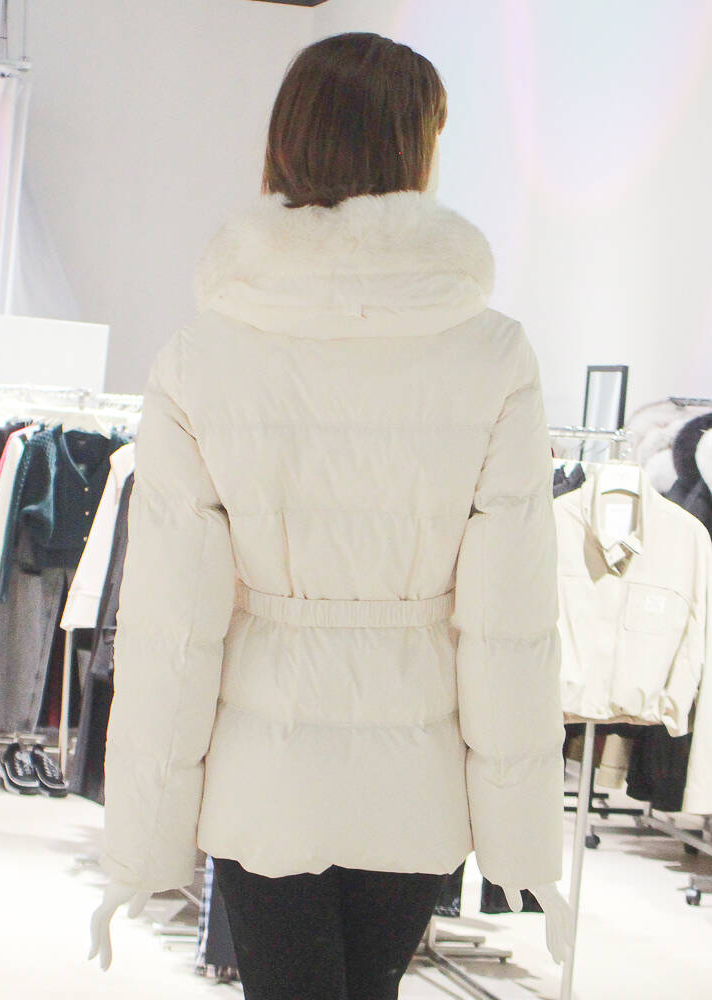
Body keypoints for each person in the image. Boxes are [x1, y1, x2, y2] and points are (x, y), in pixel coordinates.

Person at [89, 31, 572, 999]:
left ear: (287, 145)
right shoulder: (493, 355)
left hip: (263, 778)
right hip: (416, 779)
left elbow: (173, 629)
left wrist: (139, 849)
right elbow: (508, 624)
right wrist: (524, 842)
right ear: (414, 153)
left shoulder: (201, 357)